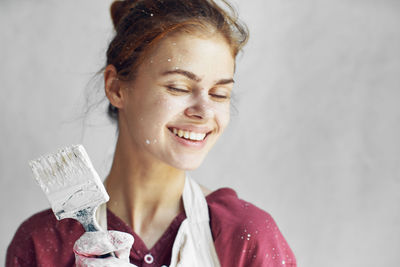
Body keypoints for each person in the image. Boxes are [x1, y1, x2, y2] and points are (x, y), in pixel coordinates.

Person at [6, 0, 297, 266]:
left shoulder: (246, 236)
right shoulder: (42, 244)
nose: (205, 111)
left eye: (220, 93)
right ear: (116, 88)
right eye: (179, 88)